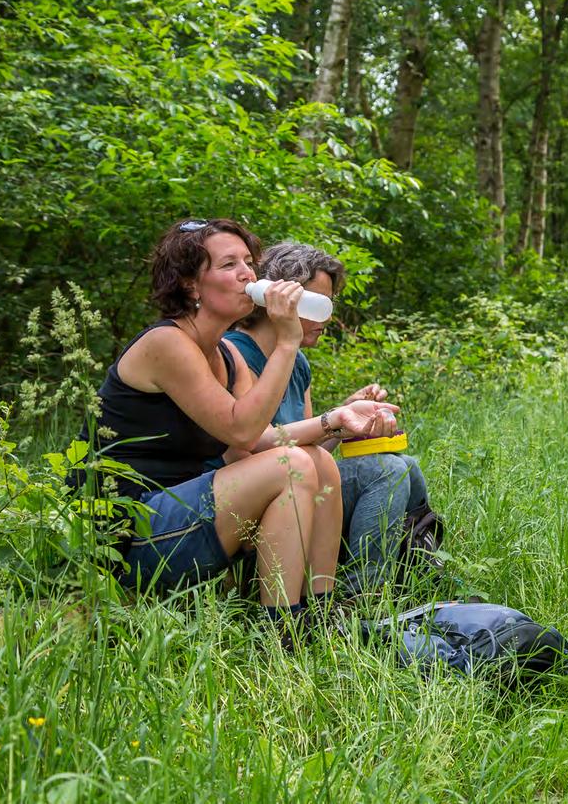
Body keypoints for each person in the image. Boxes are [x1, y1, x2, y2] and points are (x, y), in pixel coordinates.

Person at [79, 218, 398, 640]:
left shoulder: (225, 356)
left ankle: (320, 615)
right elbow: (243, 433)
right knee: (292, 465)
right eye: (229, 264)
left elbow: (265, 437)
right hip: (127, 534)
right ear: (192, 285)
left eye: (249, 261)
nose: (248, 273)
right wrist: (287, 341)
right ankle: (280, 632)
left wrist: (335, 421)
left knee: (317, 460)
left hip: (182, 518)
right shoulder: (166, 343)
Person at [221, 241, 429, 593]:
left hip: (299, 483)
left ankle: (416, 571)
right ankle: (359, 594)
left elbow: (312, 452)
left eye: (328, 305)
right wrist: (333, 418)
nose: (327, 318)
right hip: (253, 504)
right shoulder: (235, 354)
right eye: (316, 305)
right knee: (388, 472)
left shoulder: (297, 362)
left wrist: (345, 420)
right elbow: (246, 451)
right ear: (278, 299)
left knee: (406, 465)